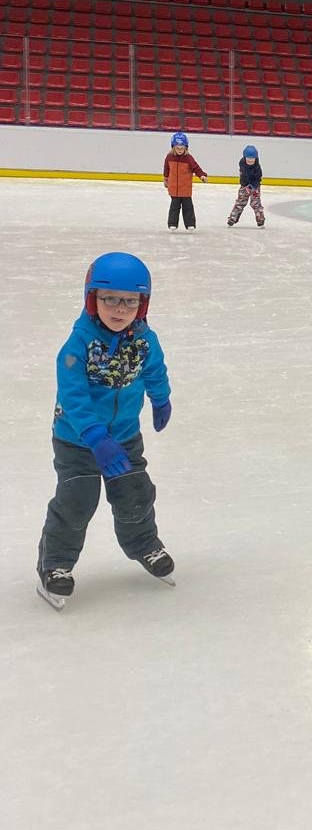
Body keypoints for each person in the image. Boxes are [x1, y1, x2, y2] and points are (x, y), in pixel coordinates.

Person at [36, 252, 175, 610]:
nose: (119, 309)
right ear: (92, 299)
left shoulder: (145, 340)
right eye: (109, 298)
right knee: (77, 501)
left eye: (130, 301)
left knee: (135, 493)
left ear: (142, 304)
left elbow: (155, 370)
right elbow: (73, 397)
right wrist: (96, 438)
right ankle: (55, 565)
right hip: (76, 440)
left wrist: (161, 399)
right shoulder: (78, 346)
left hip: (125, 436)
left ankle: (144, 545)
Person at [163, 131, 207, 230]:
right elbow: (166, 169)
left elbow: (196, 168)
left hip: (185, 188)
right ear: (173, 147)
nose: (179, 150)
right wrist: (166, 179)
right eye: (177, 148)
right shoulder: (169, 157)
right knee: (174, 207)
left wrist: (202, 175)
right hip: (174, 188)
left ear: (186, 147)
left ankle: (190, 224)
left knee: (188, 207)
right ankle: (172, 224)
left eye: (182, 148)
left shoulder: (188, 158)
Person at [227, 144, 265, 228]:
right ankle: (233, 218)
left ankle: (260, 220)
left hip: (255, 187)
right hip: (244, 185)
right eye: (248, 160)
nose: (250, 162)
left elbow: (257, 180)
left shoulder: (257, 168)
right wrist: (245, 186)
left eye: (252, 160)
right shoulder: (242, 163)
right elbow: (244, 176)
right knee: (240, 202)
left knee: (255, 203)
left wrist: (251, 187)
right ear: (244, 158)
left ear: (256, 158)